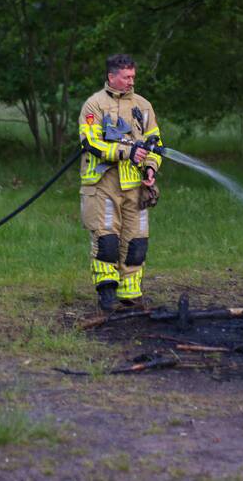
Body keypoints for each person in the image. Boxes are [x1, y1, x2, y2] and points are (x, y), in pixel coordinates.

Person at [78, 54, 163, 312]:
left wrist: (151, 167)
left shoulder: (143, 105)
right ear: (111, 76)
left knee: (137, 242)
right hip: (103, 184)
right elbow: (91, 143)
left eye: (133, 76)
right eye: (126, 77)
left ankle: (131, 295)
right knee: (107, 241)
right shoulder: (94, 105)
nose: (131, 81)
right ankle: (107, 294)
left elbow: (156, 142)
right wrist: (127, 152)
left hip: (136, 185)